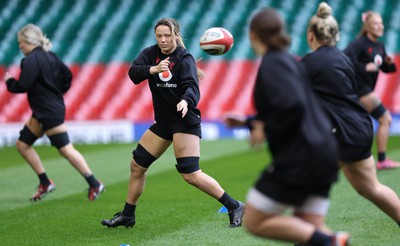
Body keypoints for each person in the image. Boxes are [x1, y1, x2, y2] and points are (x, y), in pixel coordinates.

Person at [101, 17, 244, 229]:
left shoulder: (184, 58)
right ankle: (128, 215)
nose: (163, 40)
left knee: (190, 174)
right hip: (163, 122)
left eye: (167, 35)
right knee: (137, 165)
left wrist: (186, 101)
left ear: (176, 34)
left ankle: (234, 205)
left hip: (185, 121)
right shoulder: (150, 54)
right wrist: (154, 69)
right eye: (159, 36)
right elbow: (133, 73)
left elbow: (192, 87)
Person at [240, 8, 349, 246]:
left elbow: (292, 104)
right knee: (309, 226)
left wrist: (262, 128)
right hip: (324, 151)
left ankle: (329, 241)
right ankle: (330, 241)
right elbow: (292, 103)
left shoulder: (272, 63)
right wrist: (249, 122)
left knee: (254, 220)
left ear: (253, 35)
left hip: (303, 157)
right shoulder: (290, 60)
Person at [302, 2, 400, 228]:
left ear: (310, 35)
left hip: (340, 132)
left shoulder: (310, 62)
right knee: (371, 188)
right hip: (360, 127)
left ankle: (317, 238)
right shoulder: (344, 58)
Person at [3, 24, 104, 201]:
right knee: (22, 145)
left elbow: (23, 85)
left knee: (65, 149)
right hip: (46, 110)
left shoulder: (30, 60)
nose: (20, 46)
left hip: (47, 111)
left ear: (29, 40)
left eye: (21, 43)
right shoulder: (51, 56)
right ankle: (45, 182)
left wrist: (10, 82)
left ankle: (94, 183)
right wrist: (56, 92)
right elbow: (67, 76)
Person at [344, 11, 399, 170]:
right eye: (376, 23)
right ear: (367, 27)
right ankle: (381, 160)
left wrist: (389, 63)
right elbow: (343, 60)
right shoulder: (359, 43)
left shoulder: (379, 46)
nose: (380, 26)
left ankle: (372, 159)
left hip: (365, 90)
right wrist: (363, 67)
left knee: (353, 126)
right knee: (385, 119)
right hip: (359, 90)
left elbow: (386, 69)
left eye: (381, 23)